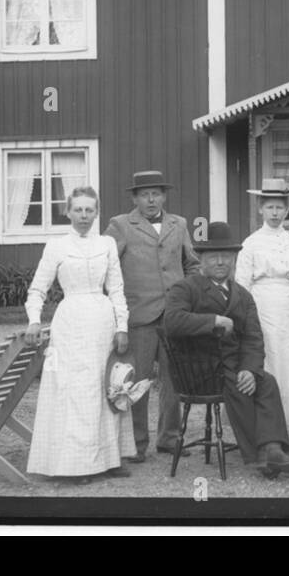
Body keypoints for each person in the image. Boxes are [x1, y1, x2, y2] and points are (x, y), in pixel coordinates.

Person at [163, 222, 289, 477]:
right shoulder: (186, 288)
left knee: (266, 381)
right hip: (198, 369)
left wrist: (250, 369)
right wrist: (213, 321)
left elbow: (253, 337)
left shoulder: (242, 295)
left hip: (232, 366)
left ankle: (272, 448)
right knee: (236, 383)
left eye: (226, 256)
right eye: (213, 256)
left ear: (234, 260)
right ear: (201, 260)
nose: (220, 262)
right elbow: (171, 321)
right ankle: (258, 454)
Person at [23, 186, 135, 480]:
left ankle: (109, 460)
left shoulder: (108, 244)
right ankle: (75, 465)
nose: (84, 216)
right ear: (68, 212)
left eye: (89, 210)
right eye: (78, 210)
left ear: (97, 212)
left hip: (102, 320)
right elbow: (37, 289)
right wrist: (34, 320)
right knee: (73, 390)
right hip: (70, 321)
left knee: (107, 385)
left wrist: (121, 325)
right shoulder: (56, 246)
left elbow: (117, 289)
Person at [105, 170, 199, 463]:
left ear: (164, 195)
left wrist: (189, 298)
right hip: (139, 315)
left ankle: (169, 439)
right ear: (135, 198)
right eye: (144, 194)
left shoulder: (179, 224)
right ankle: (136, 443)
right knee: (137, 381)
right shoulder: (120, 225)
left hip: (174, 315)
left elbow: (192, 264)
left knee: (173, 381)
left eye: (156, 193)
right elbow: (106, 267)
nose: (150, 199)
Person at [235, 178, 289, 425]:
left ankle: (286, 425)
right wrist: (243, 323)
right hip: (261, 310)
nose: (275, 212)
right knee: (266, 362)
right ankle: (264, 426)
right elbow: (242, 287)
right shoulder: (250, 243)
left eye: (280, 207)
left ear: (287, 209)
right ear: (260, 208)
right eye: (270, 207)